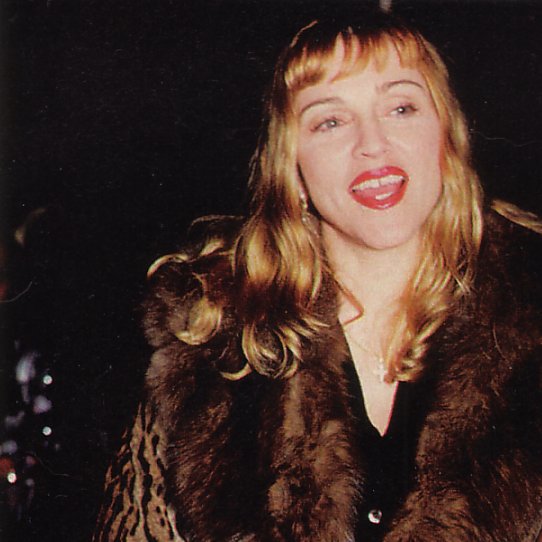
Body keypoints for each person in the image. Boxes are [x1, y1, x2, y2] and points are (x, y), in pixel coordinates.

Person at [94, 10, 542, 541]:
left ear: (446, 135)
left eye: (401, 108)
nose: (372, 143)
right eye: (330, 121)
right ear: (293, 167)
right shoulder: (209, 342)